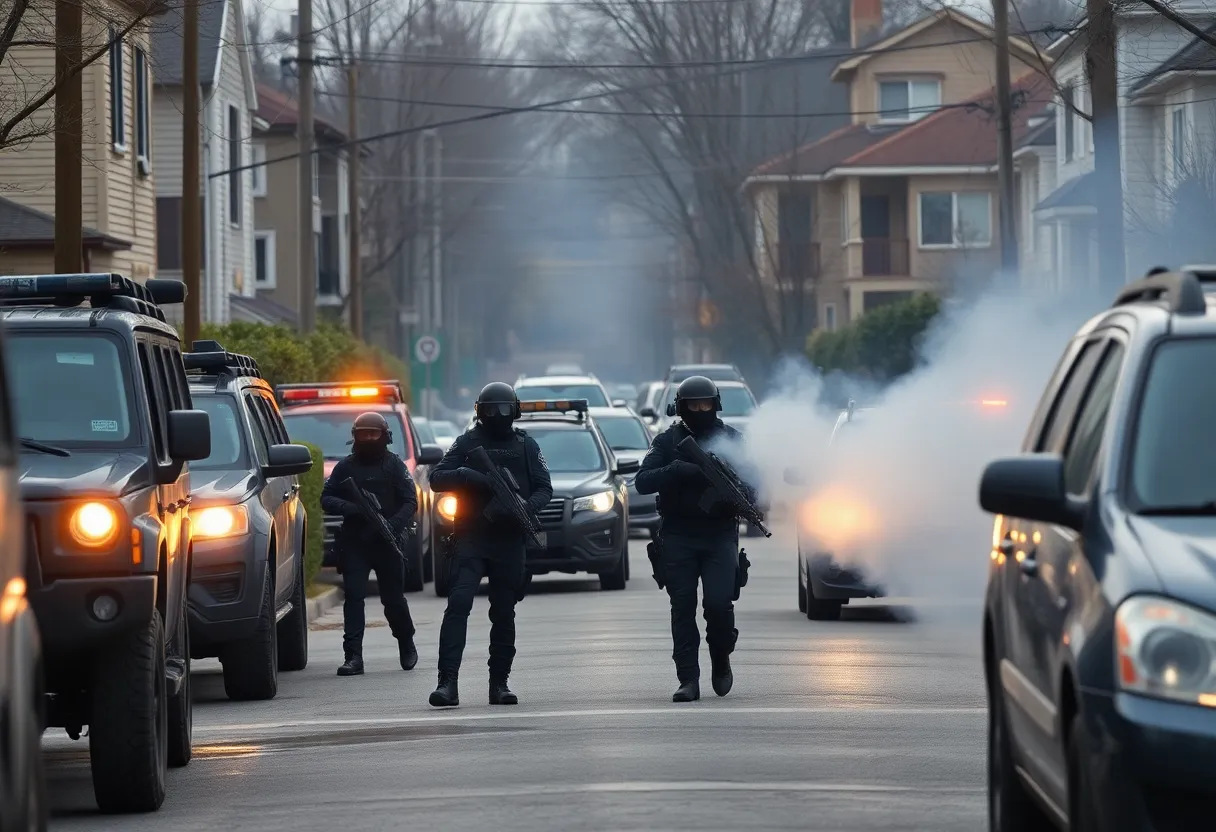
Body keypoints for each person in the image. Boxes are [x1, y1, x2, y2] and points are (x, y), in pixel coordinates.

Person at [427, 382, 552, 707]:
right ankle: (447, 682)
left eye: (504, 409)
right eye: (491, 409)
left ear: (515, 411)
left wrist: (525, 507)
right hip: (471, 536)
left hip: (509, 541)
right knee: (458, 605)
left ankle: (499, 683)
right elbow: (437, 478)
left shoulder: (527, 445)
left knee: (504, 613)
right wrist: (470, 476)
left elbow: (544, 488)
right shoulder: (467, 442)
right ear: (480, 411)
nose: (497, 415)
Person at [635, 375, 757, 702]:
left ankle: (721, 656)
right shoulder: (667, 442)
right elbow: (643, 481)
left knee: (718, 604)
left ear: (715, 405)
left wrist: (741, 496)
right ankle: (688, 678)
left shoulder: (732, 440)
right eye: (694, 405)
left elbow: (756, 484)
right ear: (682, 407)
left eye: (706, 404)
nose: (701, 410)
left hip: (719, 535)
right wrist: (677, 470)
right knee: (683, 608)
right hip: (678, 534)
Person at [320, 411, 419, 676]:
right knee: (354, 597)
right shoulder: (346, 467)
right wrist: (351, 508)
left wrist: (392, 525)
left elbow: (411, 502)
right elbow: (326, 498)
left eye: (373, 434)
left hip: (388, 542)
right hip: (355, 542)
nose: (367, 438)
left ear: (384, 437)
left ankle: (406, 642)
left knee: (393, 600)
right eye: (363, 434)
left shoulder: (395, 465)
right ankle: (353, 656)